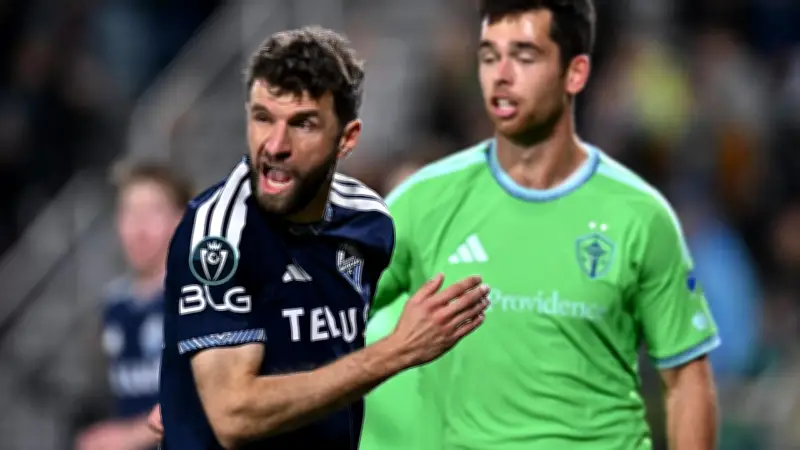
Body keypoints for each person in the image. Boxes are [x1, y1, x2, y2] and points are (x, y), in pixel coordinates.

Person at [361, 1, 721, 449]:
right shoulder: (422, 202)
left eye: (524, 56)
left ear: (575, 73)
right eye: (489, 56)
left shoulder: (640, 215)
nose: (501, 75)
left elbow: (687, 379)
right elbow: (326, 313)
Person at [155, 26, 490, 450]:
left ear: (346, 139)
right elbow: (234, 415)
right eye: (263, 118)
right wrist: (397, 351)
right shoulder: (219, 235)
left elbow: (330, 352)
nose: (275, 145)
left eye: (303, 124)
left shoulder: (370, 222)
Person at [75, 163, 192, 450]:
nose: (139, 228)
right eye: (128, 211)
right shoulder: (113, 306)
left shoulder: (198, 298)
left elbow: (213, 400)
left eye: (153, 211)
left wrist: (130, 436)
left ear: (181, 219)